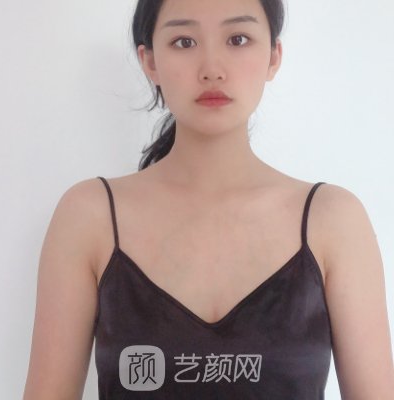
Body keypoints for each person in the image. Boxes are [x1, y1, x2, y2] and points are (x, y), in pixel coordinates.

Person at [23, 0, 394, 398]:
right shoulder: (90, 215)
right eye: (184, 42)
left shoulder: (332, 219)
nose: (212, 68)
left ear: (273, 56)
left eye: (238, 39)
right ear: (150, 61)